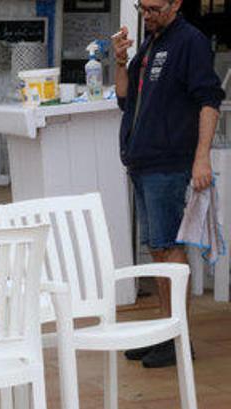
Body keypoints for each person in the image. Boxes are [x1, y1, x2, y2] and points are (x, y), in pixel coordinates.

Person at [113, 0, 224, 367]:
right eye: (142, 7)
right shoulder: (150, 43)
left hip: (169, 162)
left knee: (168, 247)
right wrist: (118, 60)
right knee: (157, 249)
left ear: (176, 3)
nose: (147, 14)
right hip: (143, 162)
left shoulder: (189, 42)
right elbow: (124, 99)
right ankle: (165, 331)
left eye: (154, 7)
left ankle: (178, 337)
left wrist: (202, 156)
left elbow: (209, 100)